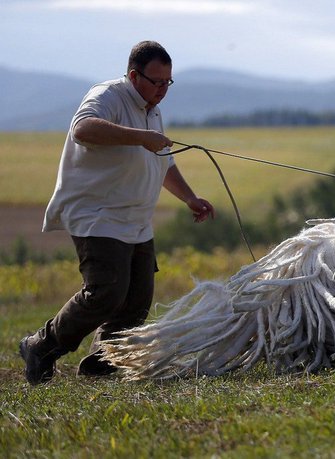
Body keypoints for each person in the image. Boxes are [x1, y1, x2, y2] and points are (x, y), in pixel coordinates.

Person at [19, 40, 215, 384]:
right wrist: (141, 136)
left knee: (137, 299)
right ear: (133, 75)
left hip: (136, 219)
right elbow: (83, 129)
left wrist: (190, 198)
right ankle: (41, 346)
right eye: (156, 82)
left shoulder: (152, 108)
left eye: (168, 82)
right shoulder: (107, 96)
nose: (162, 90)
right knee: (106, 291)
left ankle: (104, 361)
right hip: (97, 213)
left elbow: (162, 162)